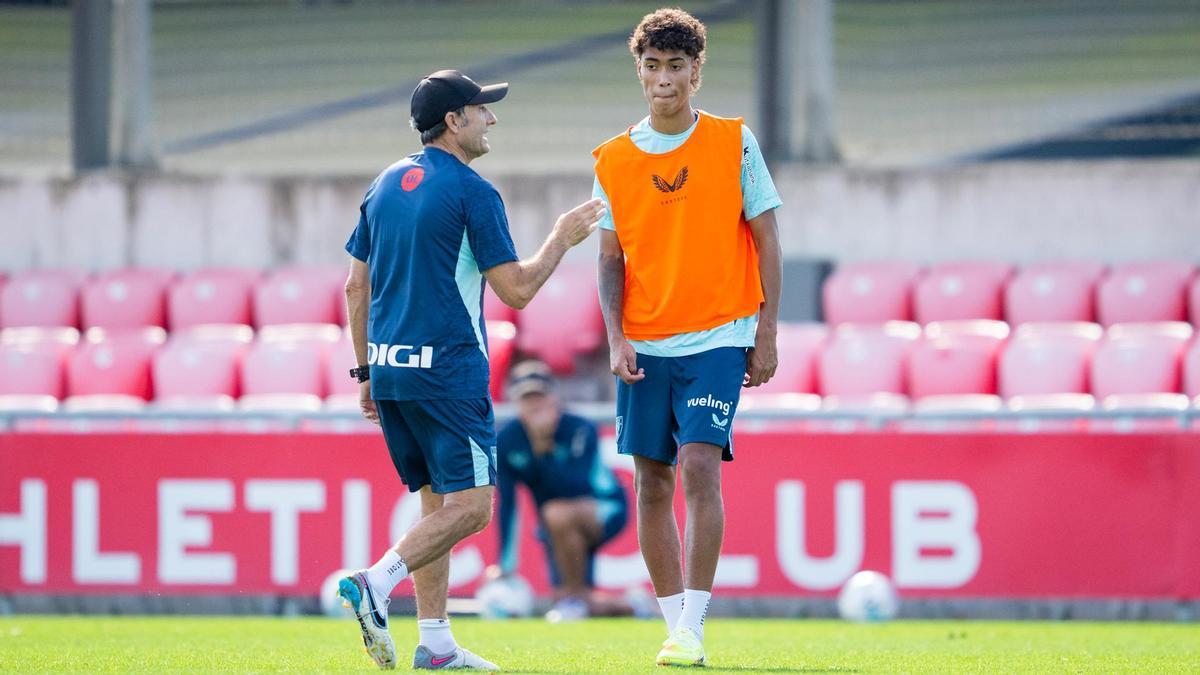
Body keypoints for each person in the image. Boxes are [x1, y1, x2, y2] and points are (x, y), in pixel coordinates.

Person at [340, 69, 606, 671]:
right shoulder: (473, 191)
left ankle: (435, 645)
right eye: (482, 109)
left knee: (437, 502)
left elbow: (357, 286)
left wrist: (364, 374)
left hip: (391, 370)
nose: (492, 118)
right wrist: (562, 238)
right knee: (476, 506)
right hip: (450, 372)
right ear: (453, 122)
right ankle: (374, 583)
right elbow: (514, 292)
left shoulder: (383, 184)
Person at [591, 8, 783, 668]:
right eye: (653, 66)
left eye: (677, 66)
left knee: (700, 465)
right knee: (651, 482)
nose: (664, 78)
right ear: (638, 71)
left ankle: (694, 624)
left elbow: (767, 239)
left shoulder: (735, 141)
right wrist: (616, 338)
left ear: (697, 72)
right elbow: (609, 260)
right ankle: (676, 626)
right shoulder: (613, 159)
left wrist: (766, 331)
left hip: (719, 337)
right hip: (645, 342)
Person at [494, 360, 632, 622]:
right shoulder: (508, 440)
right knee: (565, 599)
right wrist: (505, 565)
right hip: (554, 523)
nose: (535, 405)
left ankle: (575, 598)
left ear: (553, 397)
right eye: (526, 398)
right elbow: (508, 503)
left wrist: (543, 444)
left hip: (606, 508)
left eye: (540, 396)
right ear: (516, 403)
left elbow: (578, 485)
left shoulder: (579, 428)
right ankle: (631, 605)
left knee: (557, 514)